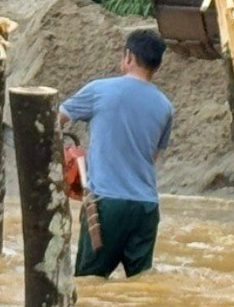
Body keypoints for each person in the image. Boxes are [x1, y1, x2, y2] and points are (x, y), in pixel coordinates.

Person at [58, 29, 174, 280]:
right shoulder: (165, 106)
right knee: (140, 283)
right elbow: (151, 157)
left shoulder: (99, 90)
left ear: (129, 57)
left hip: (106, 205)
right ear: (158, 65)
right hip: (146, 207)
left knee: (90, 282)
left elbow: (54, 120)